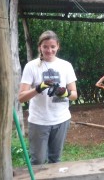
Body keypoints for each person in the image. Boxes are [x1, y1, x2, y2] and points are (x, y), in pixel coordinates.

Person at [18, 30, 77, 165]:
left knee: (55, 160)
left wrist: (64, 93)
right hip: (39, 121)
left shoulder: (66, 65)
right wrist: (39, 88)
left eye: (52, 47)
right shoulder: (31, 66)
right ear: (40, 47)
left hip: (61, 120)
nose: (49, 50)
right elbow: (21, 98)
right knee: (38, 161)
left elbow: (74, 95)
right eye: (45, 47)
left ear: (58, 46)